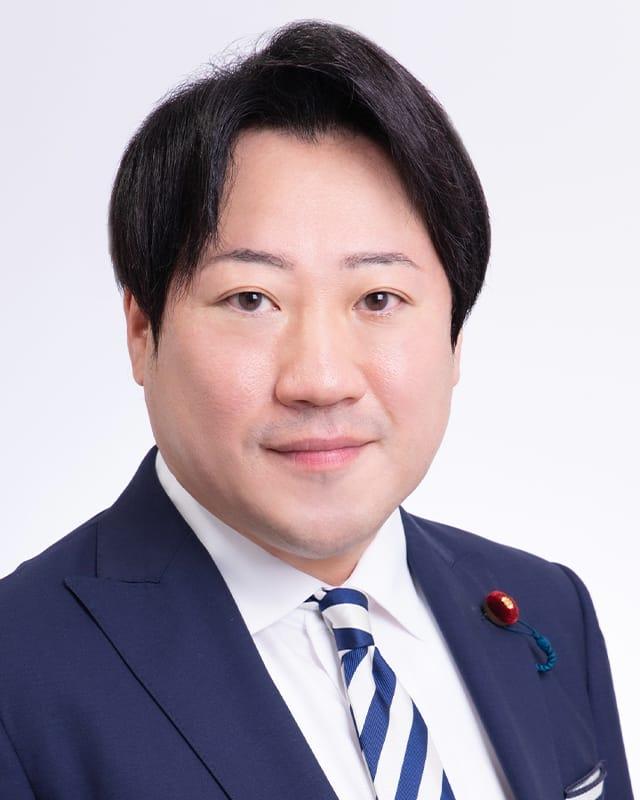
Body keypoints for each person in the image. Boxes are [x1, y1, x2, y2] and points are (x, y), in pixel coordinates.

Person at [0, 18, 633, 800]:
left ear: (454, 333)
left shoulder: (546, 610)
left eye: (378, 298)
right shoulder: (17, 673)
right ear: (141, 331)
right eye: (251, 298)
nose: (321, 379)